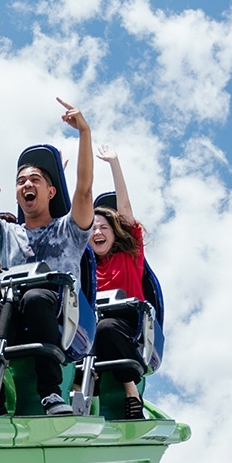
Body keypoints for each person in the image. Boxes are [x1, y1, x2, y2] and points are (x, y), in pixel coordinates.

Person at [0, 99, 95, 416]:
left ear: (51, 191)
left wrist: (85, 133)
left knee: (35, 297)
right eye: (21, 181)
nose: (26, 185)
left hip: (58, 310)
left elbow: (85, 190)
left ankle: (51, 393)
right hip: (13, 307)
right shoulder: (7, 233)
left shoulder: (68, 230)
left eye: (35, 179)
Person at [89, 145, 149, 420]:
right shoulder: (87, 266)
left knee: (105, 327)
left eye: (103, 227)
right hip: (94, 320)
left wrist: (114, 164)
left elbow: (124, 210)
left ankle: (130, 391)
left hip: (126, 322)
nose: (97, 232)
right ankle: (80, 386)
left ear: (114, 232)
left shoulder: (129, 255)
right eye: (92, 229)